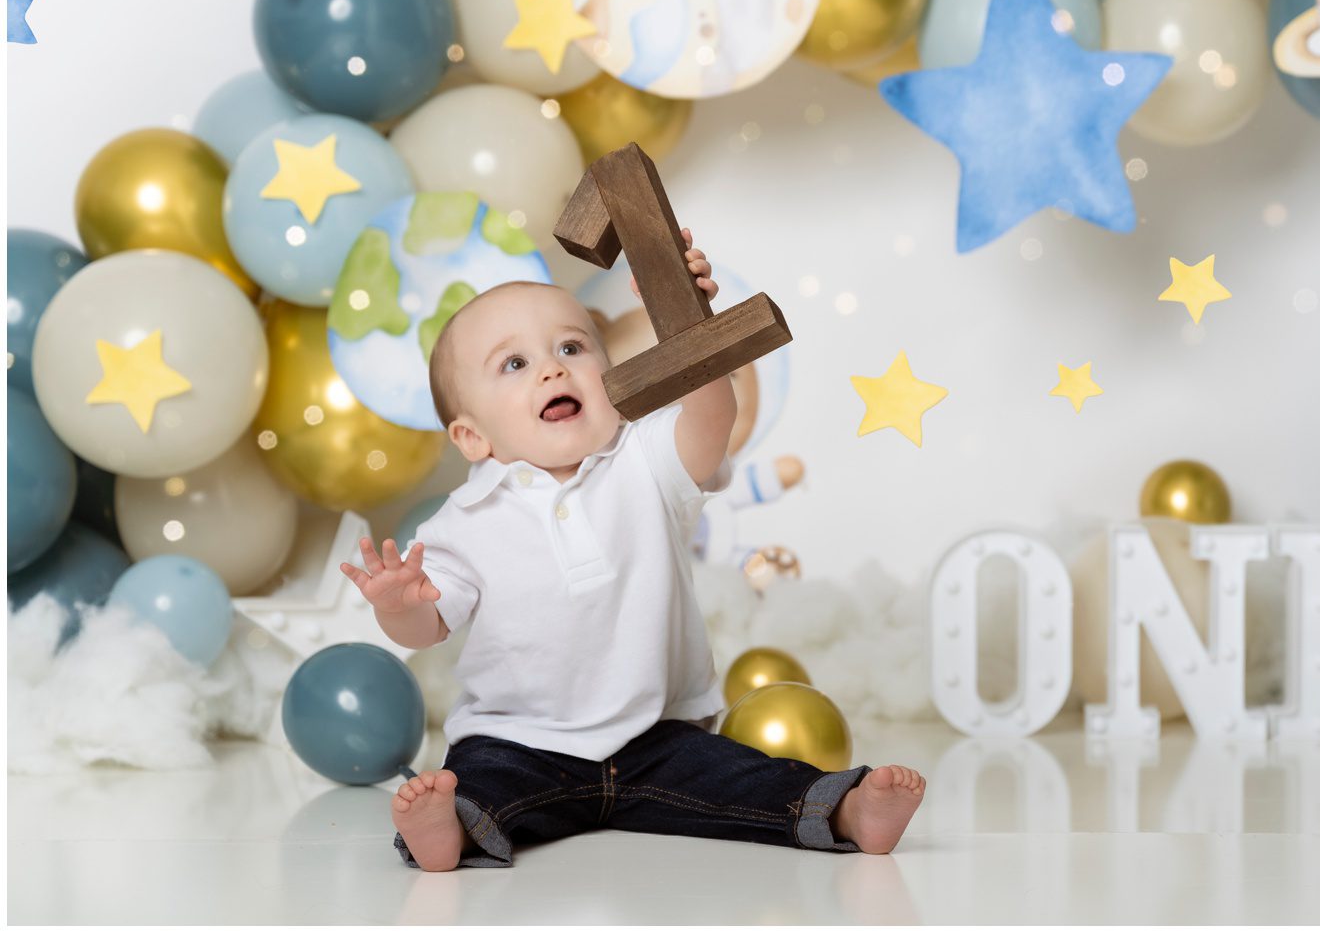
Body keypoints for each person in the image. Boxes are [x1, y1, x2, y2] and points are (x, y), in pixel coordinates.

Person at [340, 228, 926, 870]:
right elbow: (428, 627)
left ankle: (844, 810)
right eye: (515, 364)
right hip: (519, 742)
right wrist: (398, 605)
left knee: (746, 777)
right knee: (480, 783)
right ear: (471, 435)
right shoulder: (465, 522)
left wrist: (688, 324)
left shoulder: (642, 459)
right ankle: (446, 831)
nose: (552, 368)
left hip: (659, 738)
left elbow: (710, 422)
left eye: (571, 346)